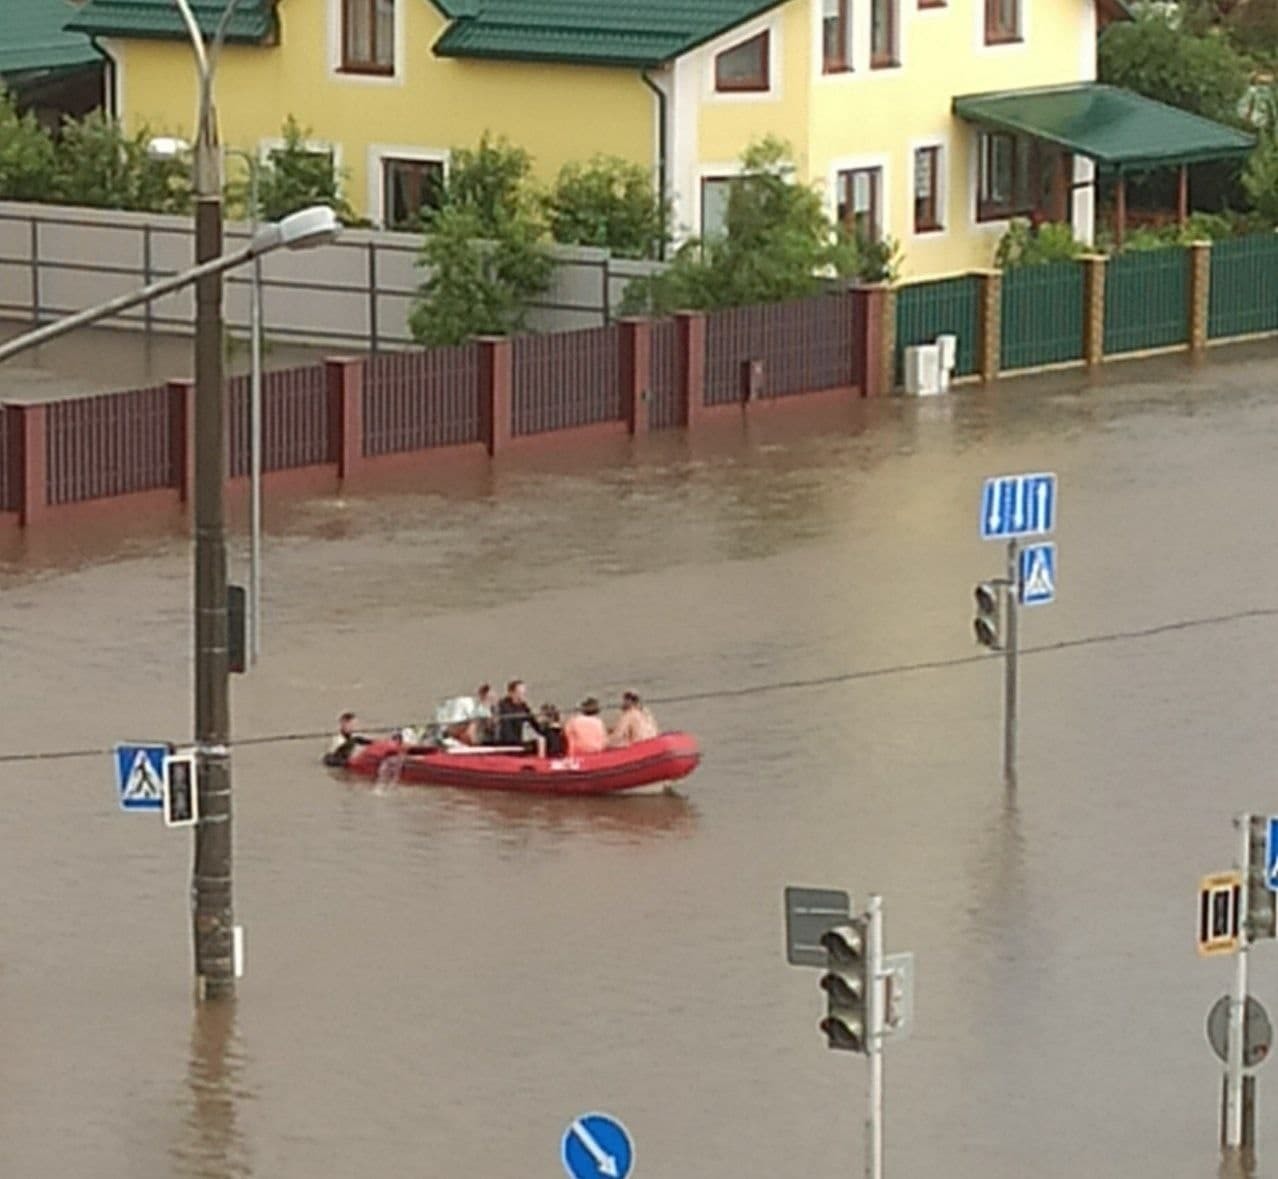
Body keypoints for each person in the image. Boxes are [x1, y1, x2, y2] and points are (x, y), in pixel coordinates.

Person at [494, 679, 535, 746]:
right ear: (511, 693)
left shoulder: (523, 706)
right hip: (505, 742)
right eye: (519, 693)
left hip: (518, 740)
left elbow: (533, 721)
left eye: (524, 693)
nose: (522, 695)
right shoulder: (502, 705)